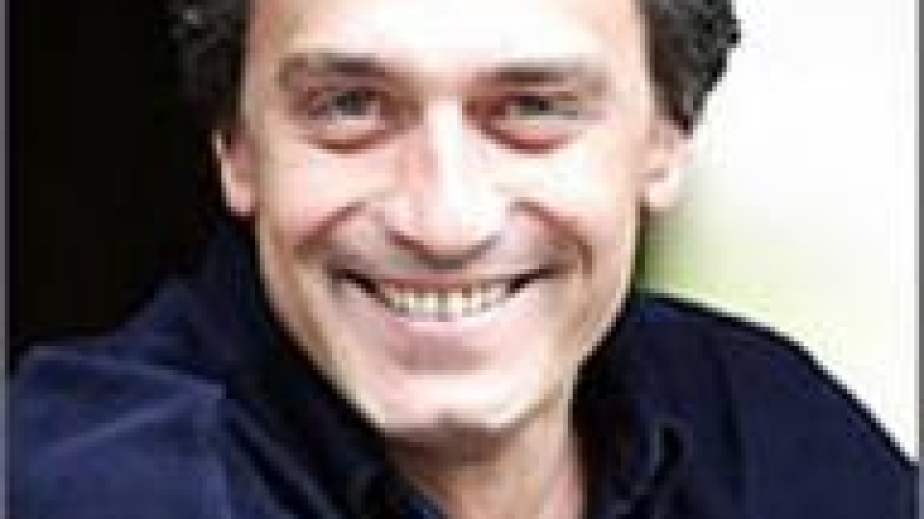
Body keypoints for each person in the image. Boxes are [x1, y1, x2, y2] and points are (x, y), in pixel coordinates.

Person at [10, 0, 915, 517]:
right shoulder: (93, 482)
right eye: (350, 106)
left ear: (667, 137)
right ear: (235, 148)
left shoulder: (773, 430)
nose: (444, 221)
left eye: (532, 108)